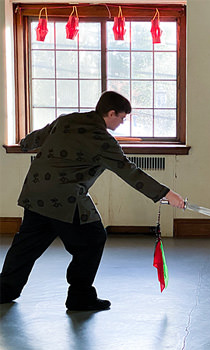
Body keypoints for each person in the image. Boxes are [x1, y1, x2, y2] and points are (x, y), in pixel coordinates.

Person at [0, 91, 185, 311]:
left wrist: (23, 144)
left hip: (35, 192)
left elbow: (35, 138)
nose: (123, 122)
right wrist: (166, 193)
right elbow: (130, 172)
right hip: (65, 199)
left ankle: (5, 290)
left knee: (26, 245)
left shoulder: (67, 120)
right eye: (122, 118)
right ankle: (80, 296)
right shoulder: (102, 140)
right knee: (93, 238)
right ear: (111, 113)